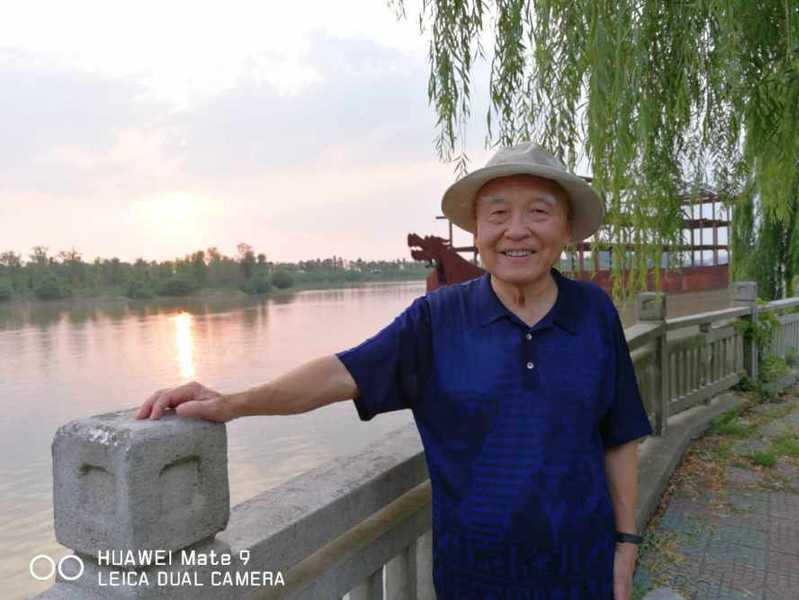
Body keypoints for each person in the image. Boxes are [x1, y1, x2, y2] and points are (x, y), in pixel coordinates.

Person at [136, 142, 653, 600]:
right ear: (476, 231)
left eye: (539, 212)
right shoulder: (436, 321)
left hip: (583, 569)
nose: (516, 230)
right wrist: (232, 403)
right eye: (498, 213)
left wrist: (626, 544)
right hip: (477, 577)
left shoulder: (594, 313)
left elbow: (619, 434)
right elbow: (340, 374)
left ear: (566, 229)